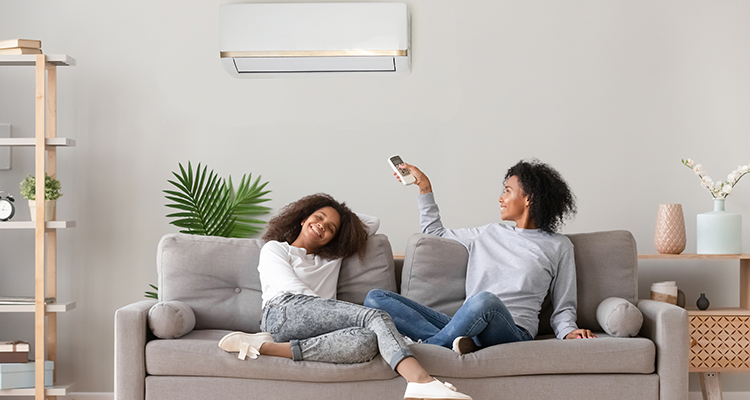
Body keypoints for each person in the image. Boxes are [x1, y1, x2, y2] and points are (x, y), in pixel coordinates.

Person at [218, 193, 472, 400]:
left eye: (331, 228)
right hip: (282, 312)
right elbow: (292, 290)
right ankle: (420, 380)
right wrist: (343, 314)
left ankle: (266, 347)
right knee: (373, 316)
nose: (322, 226)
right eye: (318, 217)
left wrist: (342, 223)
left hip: (314, 327)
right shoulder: (276, 249)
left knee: (366, 342)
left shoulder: (331, 257)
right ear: (303, 217)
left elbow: (372, 222)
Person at [364, 159, 595, 355]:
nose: (500, 198)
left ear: (529, 199)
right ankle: (454, 342)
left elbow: (564, 304)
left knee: (485, 301)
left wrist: (568, 332)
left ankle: (433, 348)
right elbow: (435, 234)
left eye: (507, 191)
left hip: (512, 331)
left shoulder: (559, 246)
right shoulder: (489, 233)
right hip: (468, 323)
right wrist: (424, 187)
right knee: (376, 298)